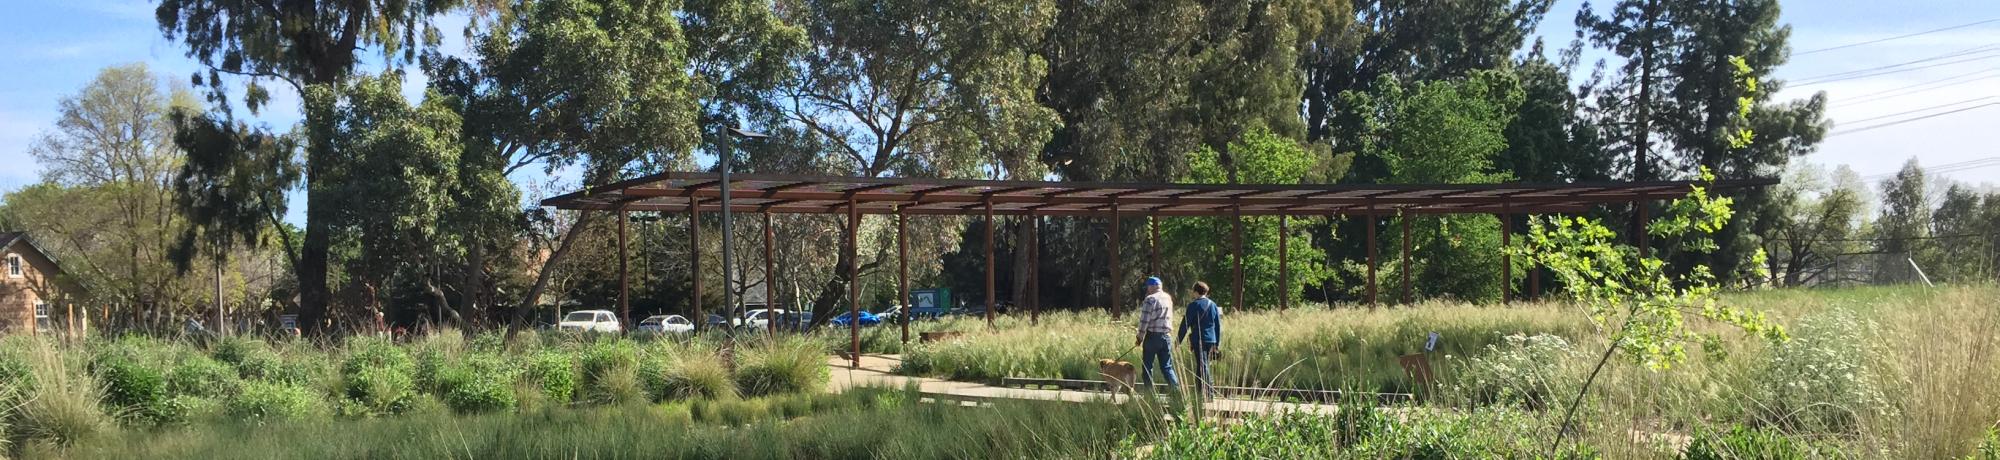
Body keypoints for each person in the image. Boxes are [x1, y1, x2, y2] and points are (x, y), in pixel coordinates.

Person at [1177, 281, 1223, 399]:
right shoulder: (1213, 305)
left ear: (1196, 292)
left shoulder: (1193, 305)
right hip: (1211, 339)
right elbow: (1218, 325)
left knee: (1203, 365)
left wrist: (1178, 340)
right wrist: (1217, 343)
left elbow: (1185, 324)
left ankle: (1210, 393)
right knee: (1201, 365)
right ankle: (1198, 393)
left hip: (1199, 339)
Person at [1135, 276, 1179, 389]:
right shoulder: (1168, 298)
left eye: (1148, 287)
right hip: (1166, 336)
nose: (1148, 289)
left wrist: (1139, 337)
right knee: (1167, 367)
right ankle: (1177, 391)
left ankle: (1150, 395)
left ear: (1152, 286)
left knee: (1147, 366)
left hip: (1152, 337)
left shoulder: (1150, 299)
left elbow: (1144, 321)